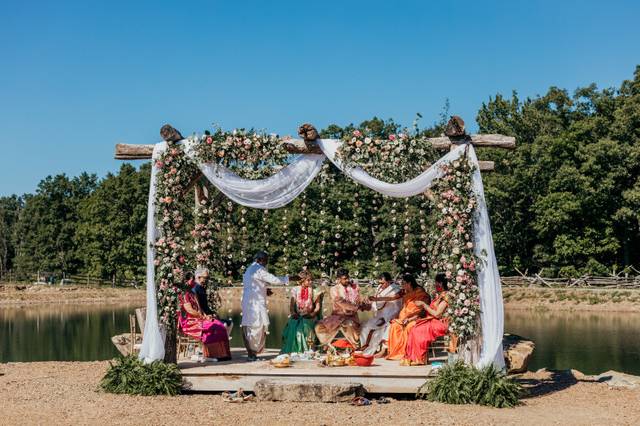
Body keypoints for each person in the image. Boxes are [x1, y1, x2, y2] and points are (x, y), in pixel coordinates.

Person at [241, 250, 290, 361]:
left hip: (251, 301)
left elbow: (254, 284)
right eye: (265, 260)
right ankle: (251, 353)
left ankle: (252, 353)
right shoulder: (257, 269)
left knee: (254, 327)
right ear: (259, 260)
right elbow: (273, 280)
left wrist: (264, 290)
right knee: (255, 327)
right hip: (254, 304)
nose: (266, 263)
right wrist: (290, 278)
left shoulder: (251, 268)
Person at [177, 267, 231, 361]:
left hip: (198, 318)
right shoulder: (184, 294)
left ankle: (221, 353)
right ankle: (210, 354)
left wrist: (206, 316)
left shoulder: (192, 292)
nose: (193, 282)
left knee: (220, 325)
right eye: (191, 280)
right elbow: (189, 310)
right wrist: (203, 316)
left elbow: (199, 307)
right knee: (215, 326)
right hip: (190, 322)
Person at [315, 268, 369, 348]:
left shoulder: (354, 288)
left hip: (352, 317)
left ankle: (355, 346)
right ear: (338, 279)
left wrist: (365, 304)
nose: (347, 280)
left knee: (349, 324)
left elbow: (360, 301)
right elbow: (341, 303)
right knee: (319, 326)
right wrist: (357, 307)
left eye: (348, 278)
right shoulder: (334, 289)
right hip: (337, 317)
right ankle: (327, 345)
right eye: (344, 279)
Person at [404, 273, 450, 365]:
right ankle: (415, 357)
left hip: (440, 322)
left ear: (441, 283)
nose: (435, 285)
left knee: (417, 330)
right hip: (432, 320)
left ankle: (420, 358)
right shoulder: (440, 295)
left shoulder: (446, 296)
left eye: (436, 283)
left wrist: (423, 305)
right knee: (413, 328)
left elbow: (437, 314)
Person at [386, 273, 430, 361]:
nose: (402, 285)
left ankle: (408, 353)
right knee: (395, 326)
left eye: (403, 283)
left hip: (417, 318)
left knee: (409, 327)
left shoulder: (420, 293)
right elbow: (392, 299)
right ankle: (397, 353)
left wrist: (410, 319)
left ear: (409, 283)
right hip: (404, 318)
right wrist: (376, 299)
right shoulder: (404, 292)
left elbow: (422, 311)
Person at [359, 272, 402, 357]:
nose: (381, 285)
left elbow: (394, 303)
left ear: (389, 281)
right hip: (379, 315)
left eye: (382, 283)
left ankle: (383, 350)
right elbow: (377, 304)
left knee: (383, 328)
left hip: (390, 317)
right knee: (364, 326)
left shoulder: (396, 290)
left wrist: (377, 299)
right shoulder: (379, 288)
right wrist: (367, 305)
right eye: (379, 283)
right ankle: (367, 349)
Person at [281, 270, 324, 354]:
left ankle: (309, 350)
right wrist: (293, 314)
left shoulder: (315, 290)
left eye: (311, 280)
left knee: (306, 325)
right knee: (294, 325)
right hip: (298, 316)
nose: (310, 282)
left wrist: (312, 314)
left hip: (310, 316)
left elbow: (317, 307)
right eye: (308, 280)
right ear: (302, 281)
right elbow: (292, 306)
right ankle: (295, 351)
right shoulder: (295, 290)